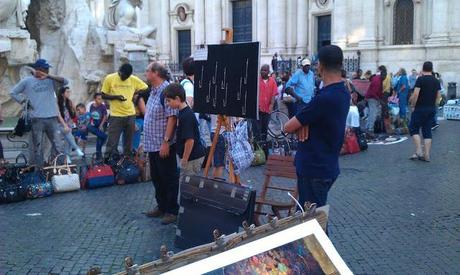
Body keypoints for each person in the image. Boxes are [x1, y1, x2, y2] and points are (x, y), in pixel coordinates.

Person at [283, 45, 350, 210]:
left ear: (320, 66)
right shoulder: (343, 92)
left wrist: (303, 123)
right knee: (312, 221)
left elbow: (287, 127)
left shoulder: (323, 99)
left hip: (314, 168)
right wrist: (305, 123)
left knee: (313, 225)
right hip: (327, 165)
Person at [10, 59, 66, 168]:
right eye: (46, 69)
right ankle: (38, 171)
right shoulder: (27, 81)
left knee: (58, 145)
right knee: (37, 147)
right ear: (39, 69)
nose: (48, 70)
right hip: (36, 119)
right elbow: (13, 92)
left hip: (52, 118)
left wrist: (49, 76)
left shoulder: (51, 80)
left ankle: (58, 168)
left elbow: (65, 81)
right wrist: (23, 101)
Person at [143, 62, 179, 225]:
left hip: (163, 143)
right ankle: (162, 206)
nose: (145, 72)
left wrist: (166, 141)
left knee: (168, 177)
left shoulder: (167, 91)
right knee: (157, 177)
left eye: (148, 70)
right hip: (152, 142)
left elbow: (172, 117)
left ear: (156, 73)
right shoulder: (153, 91)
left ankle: (172, 210)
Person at [101, 63, 148, 157]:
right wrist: (116, 97)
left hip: (130, 115)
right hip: (116, 115)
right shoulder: (110, 78)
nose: (124, 78)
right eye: (122, 75)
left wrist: (136, 93)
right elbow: (103, 95)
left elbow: (146, 88)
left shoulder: (133, 79)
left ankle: (127, 164)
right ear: (119, 71)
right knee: (112, 143)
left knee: (128, 144)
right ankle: (109, 163)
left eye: (126, 77)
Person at [164, 83, 206, 179]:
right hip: (190, 156)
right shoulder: (183, 112)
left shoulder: (186, 115)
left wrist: (185, 159)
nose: (167, 104)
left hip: (192, 158)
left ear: (178, 99)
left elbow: (190, 140)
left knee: (188, 186)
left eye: (168, 101)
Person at [408, 61, 441, 162]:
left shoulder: (420, 79)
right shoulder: (436, 81)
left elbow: (416, 94)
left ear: (423, 69)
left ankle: (419, 151)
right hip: (431, 108)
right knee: (427, 131)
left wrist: (412, 105)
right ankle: (427, 155)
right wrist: (434, 105)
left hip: (420, 108)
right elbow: (439, 96)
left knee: (413, 128)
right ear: (431, 69)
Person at [57, 87, 85, 161]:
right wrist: (64, 125)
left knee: (68, 141)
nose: (69, 93)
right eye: (67, 92)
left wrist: (77, 112)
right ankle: (77, 149)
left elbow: (75, 111)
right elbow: (58, 114)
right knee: (70, 137)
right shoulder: (57, 102)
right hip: (60, 124)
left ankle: (67, 157)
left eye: (69, 92)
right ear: (62, 93)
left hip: (69, 123)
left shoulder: (69, 101)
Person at [253, 64, 278, 142]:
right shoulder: (257, 80)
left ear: (268, 72)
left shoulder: (272, 81)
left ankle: (263, 145)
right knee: (257, 130)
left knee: (265, 129)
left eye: (264, 70)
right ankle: (257, 146)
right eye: (262, 70)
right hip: (258, 110)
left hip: (267, 110)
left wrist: (271, 105)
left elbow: (273, 94)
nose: (262, 72)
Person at [364, 67, 385, 134]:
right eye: (384, 76)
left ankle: (367, 127)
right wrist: (379, 100)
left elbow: (378, 91)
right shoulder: (378, 81)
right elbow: (373, 92)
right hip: (372, 98)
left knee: (371, 112)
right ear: (382, 75)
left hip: (371, 97)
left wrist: (380, 99)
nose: (385, 78)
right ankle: (370, 128)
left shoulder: (377, 78)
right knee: (373, 113)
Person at [88, 93, 108, 157]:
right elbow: (91, 115)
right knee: (88, 126)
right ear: (95, 99)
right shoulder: (91, 106)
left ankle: (98, 157)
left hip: (102, 124)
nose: (101, 100)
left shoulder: (103, 106)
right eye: (99, 99)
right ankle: (104, 136)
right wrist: (90, 122)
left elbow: (105, 116)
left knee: (99, 143)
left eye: (101, 99)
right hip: (94, 124)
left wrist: (101, 125)